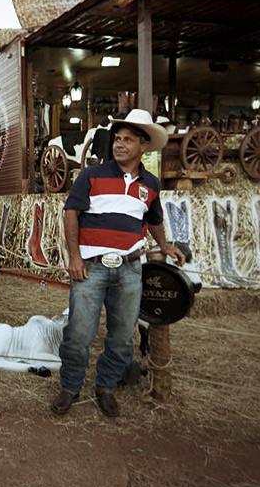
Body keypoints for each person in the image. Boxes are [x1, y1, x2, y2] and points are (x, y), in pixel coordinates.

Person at [51, 108, 185, 418]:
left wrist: (165, 245)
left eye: (128, 140)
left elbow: (153, 219)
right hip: (91, 266)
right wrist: (74, 257)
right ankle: (70, 387)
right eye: (117, 139)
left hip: (129, 269)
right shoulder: (91, 175)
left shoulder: (150, 184)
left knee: (123, 336)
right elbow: (71, 212)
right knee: (79, 334)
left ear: (143, 146)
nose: (119, 144)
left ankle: (106, 387)